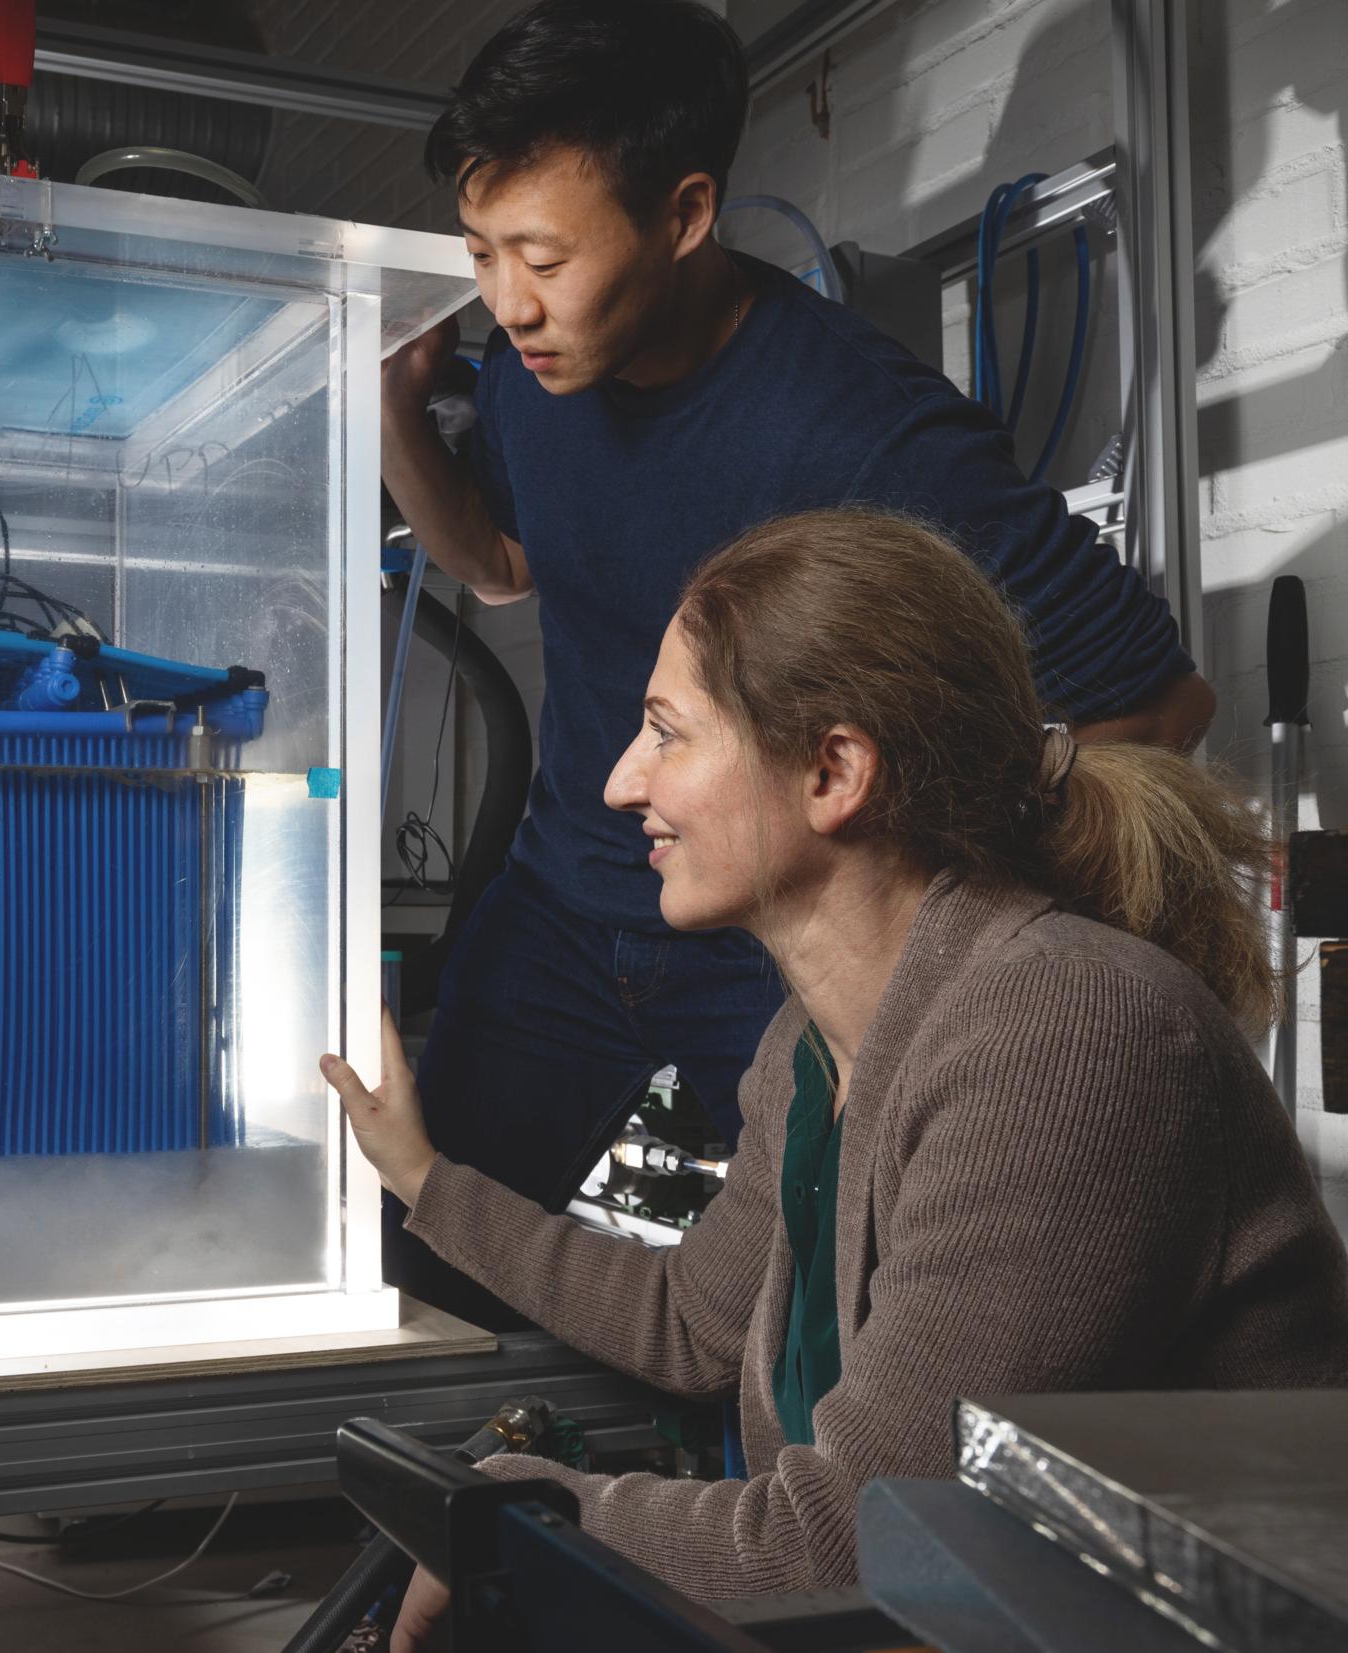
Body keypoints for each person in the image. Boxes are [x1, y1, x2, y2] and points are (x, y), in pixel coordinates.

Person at [320, 509, 1348, 1632]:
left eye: (665, 733)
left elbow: (850, 1539)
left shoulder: (1066, 1034)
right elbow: (688, 1321)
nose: (619, 783)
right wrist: (420, 1175)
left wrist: (518, 1511)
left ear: (833, 771)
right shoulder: (809, 1052)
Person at [382, 0, 1215, 1331]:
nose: (506, 302)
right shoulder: (531, 373)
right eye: (481, 253)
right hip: (560, 911)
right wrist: (389, 410)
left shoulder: (867, 433)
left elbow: (1160, 701)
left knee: (814, 1327)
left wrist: (919, 899)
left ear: (684, 213)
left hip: (768, 945)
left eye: (542, 256)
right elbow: (498, 563)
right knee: (425, 1262)